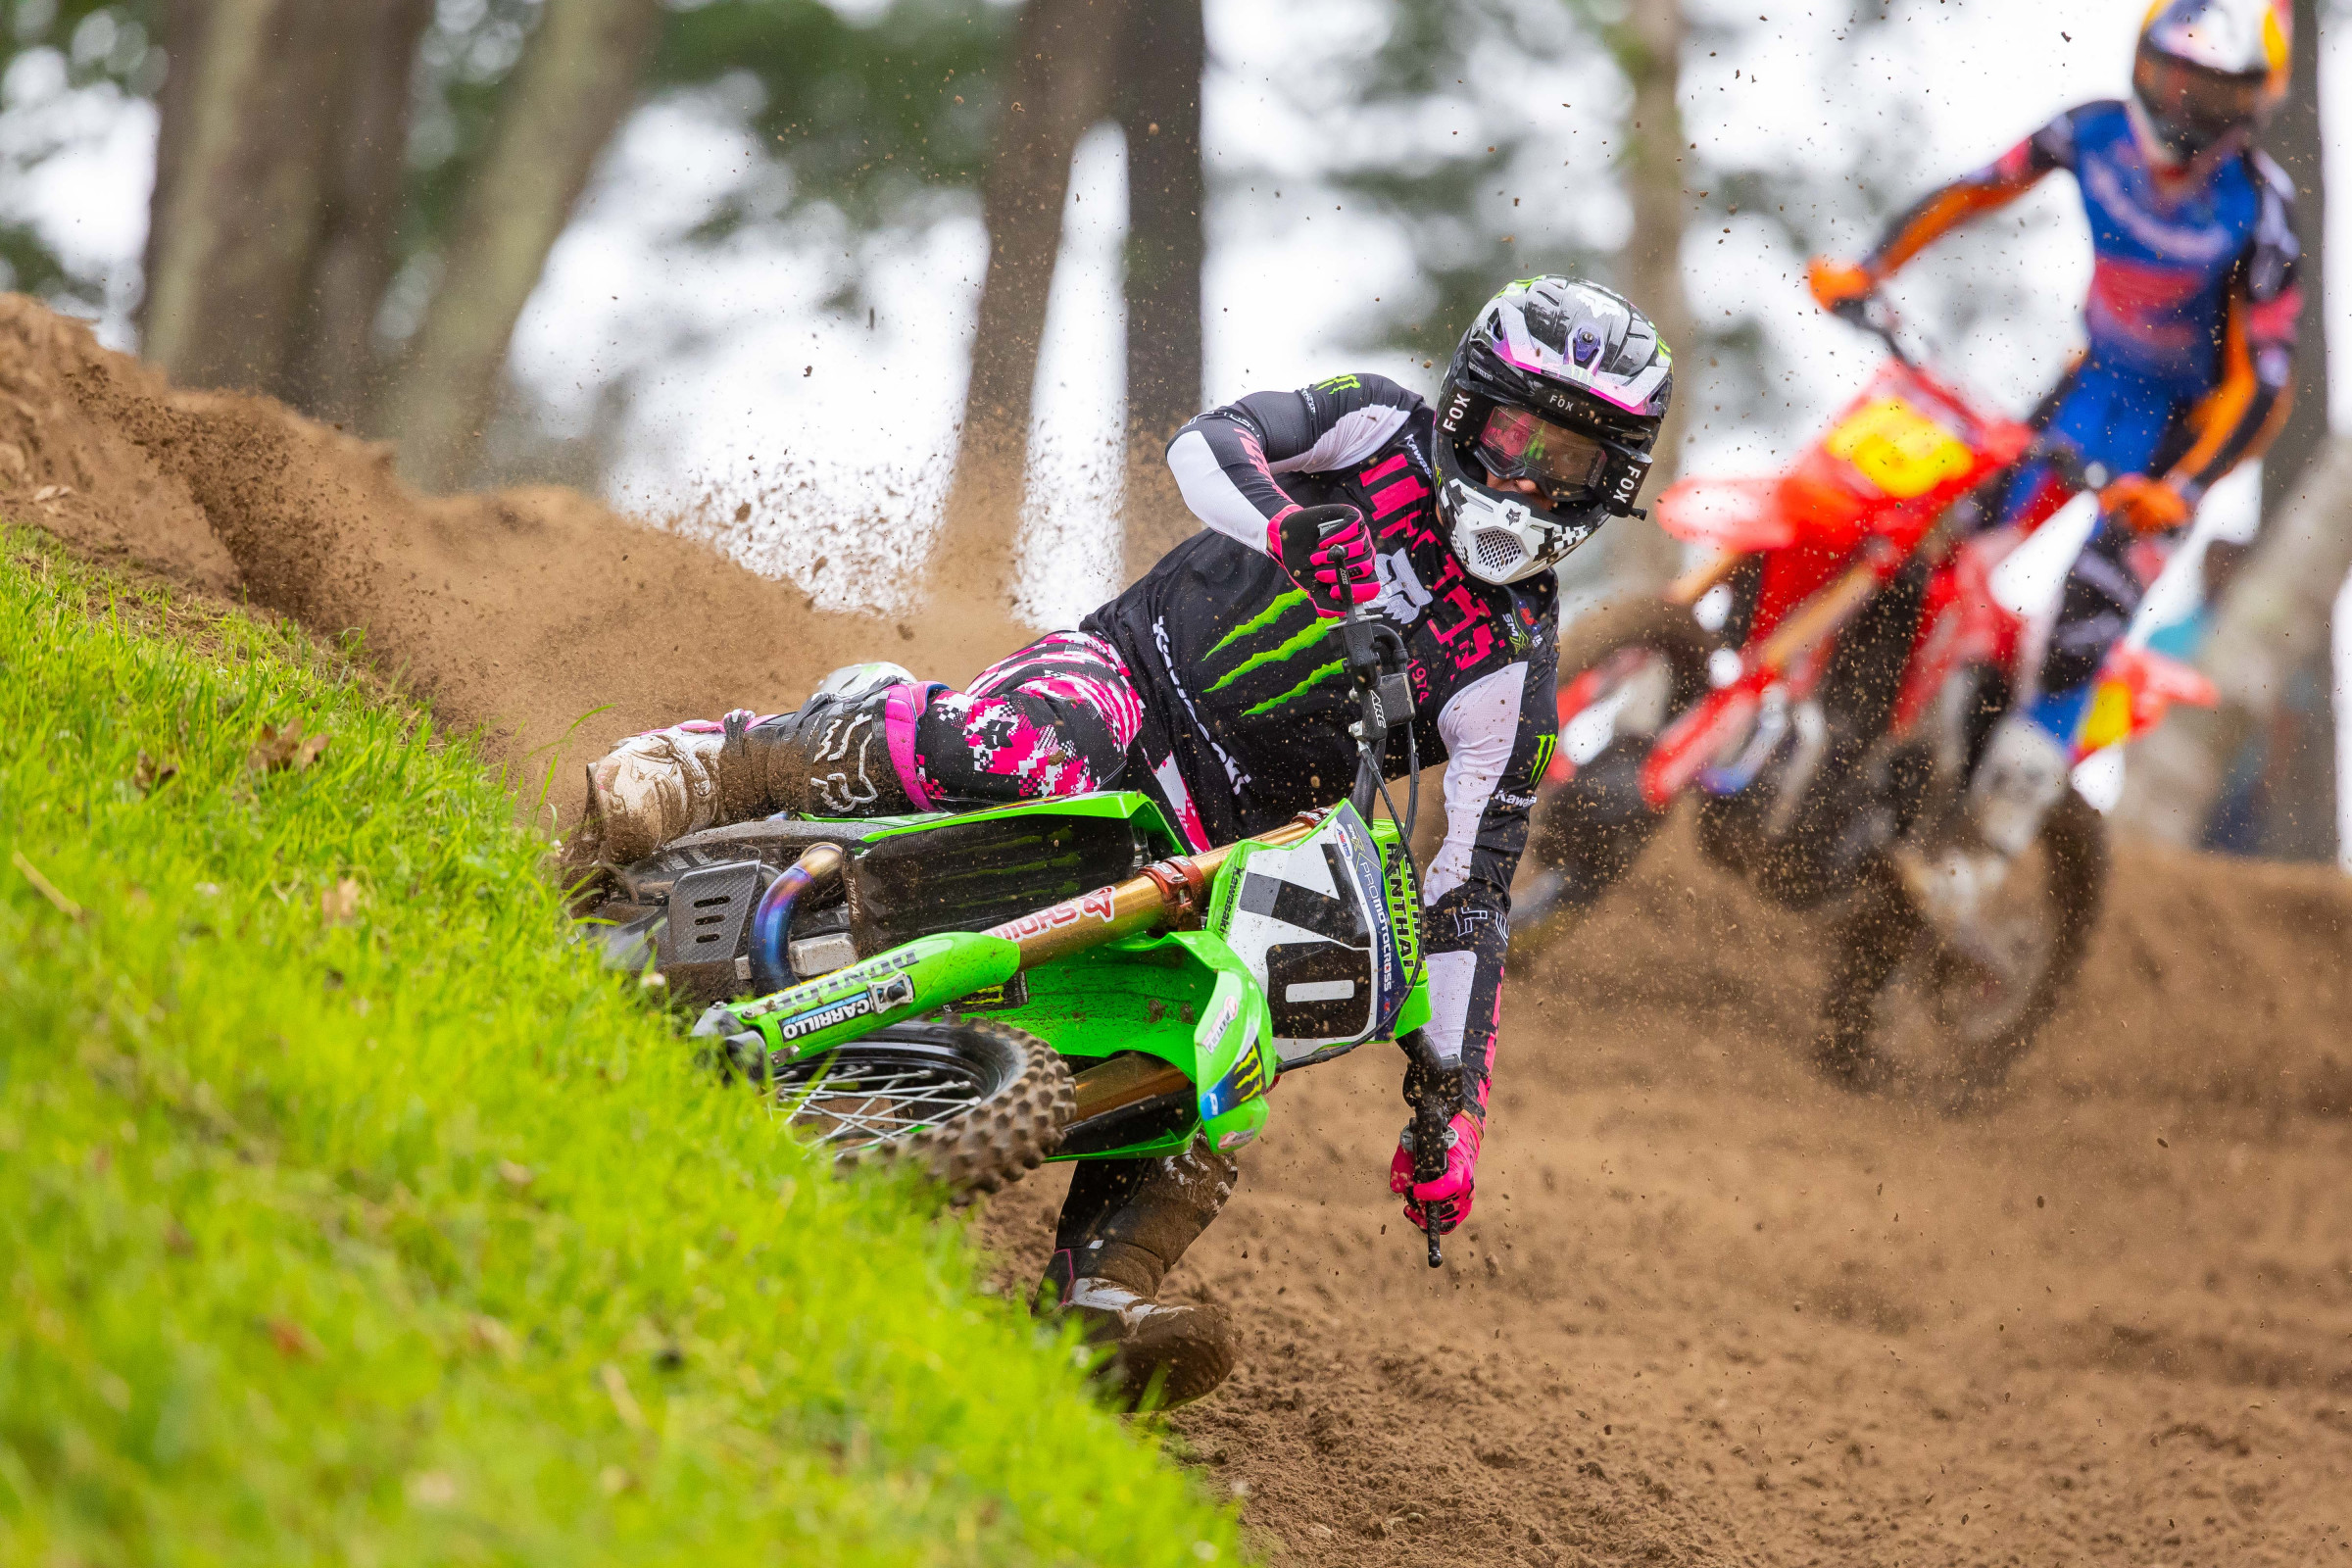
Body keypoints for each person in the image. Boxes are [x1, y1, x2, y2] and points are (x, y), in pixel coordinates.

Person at [566, 275, 1673, 1405]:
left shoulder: (1514, 667)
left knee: (1244, 1026)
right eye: (1517, 433)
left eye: (1572, 461)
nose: (1533, 474)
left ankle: (1103, 1291)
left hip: (1227, 839)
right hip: (1127, 683)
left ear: (1611, 485)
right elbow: (1211, 440)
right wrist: (1288, 524)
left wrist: (1453, 1096)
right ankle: (724, 762)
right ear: (1466, 406)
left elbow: (1469, 890)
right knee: (1035, 752)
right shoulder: (1379, 423)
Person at [1808, 0, 2300, 887]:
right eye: (2172, 75)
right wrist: (1872, 267)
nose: (2183, 103)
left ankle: (1977, 861)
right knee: (1930, 538)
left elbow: (2263, 382)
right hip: (2084, 393)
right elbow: (1978, 189)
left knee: (2081, 625)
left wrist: (2185, 489)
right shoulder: (2092, 131)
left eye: (2210, 89)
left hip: (2173, 441)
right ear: (2142, 63)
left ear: (2252, 101)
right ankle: (1849, 743)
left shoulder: (2261, 211)